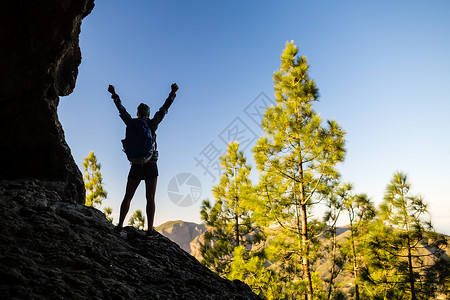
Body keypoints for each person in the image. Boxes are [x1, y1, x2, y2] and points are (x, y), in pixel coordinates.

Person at [108, 83, 178, 236]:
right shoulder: (153, 123)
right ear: (148, 113)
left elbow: (121, 110)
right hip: (151, 164)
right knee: (150, 197)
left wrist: (114, 94)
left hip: (135, 165)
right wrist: (172, 93)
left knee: (128, 196)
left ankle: (119, 225)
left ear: (138, 113)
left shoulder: (131, 122)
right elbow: (164, 109)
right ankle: (150, 230)